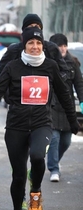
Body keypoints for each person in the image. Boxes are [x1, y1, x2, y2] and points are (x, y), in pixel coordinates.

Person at [0, 27, 79, 210]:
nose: (35, 47)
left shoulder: (51, 66)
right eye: (30, 43)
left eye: (38, 43)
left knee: (37, 156)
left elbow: (64, 95)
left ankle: (35, 191)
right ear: (24, 46)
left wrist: (74, 122)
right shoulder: (13, 67)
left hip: (41, 124)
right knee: (17, 176)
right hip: (16, 126)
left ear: (42, 45)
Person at [0, 13, 72, 210]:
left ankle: (36, 182)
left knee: (40, 154)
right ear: (23, 32)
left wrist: (50, 87)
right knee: (18, 167)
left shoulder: (50, 49)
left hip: (44, 108)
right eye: (30, 27)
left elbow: (62, 73)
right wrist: (10, 94)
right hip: (18, 114)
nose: (34, 43)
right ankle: (19, 202)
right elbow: (0, 74)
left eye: (37, 27)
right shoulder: (14, 51)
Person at [47, 33, 83, 182]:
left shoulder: (73, 63)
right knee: (54, 138)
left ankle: (55, 160)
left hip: (67, 108)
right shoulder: (47, 63)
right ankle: (54, 169)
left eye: (64, 46)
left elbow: (79, 85)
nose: (62, 49)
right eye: (59, 46)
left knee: (66, 141)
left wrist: (82, 102)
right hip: (52, 106)